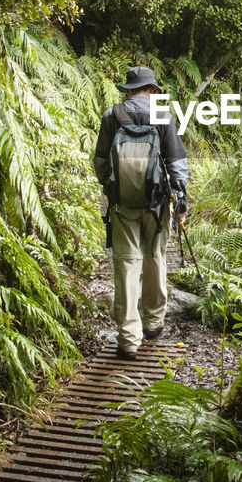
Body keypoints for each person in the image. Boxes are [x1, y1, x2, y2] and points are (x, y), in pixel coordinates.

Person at [93, 65, 189, 359]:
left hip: (123, 206)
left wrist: (115, 189)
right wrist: (181, 203)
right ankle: (153, 322)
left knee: (125, 265)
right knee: (156, 257)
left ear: (129, 89)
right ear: (152, 90)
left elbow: (99, 163)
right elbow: (176, 163)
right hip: (157, 203)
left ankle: (128, 338)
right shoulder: (162, 115)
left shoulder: (112, 116)